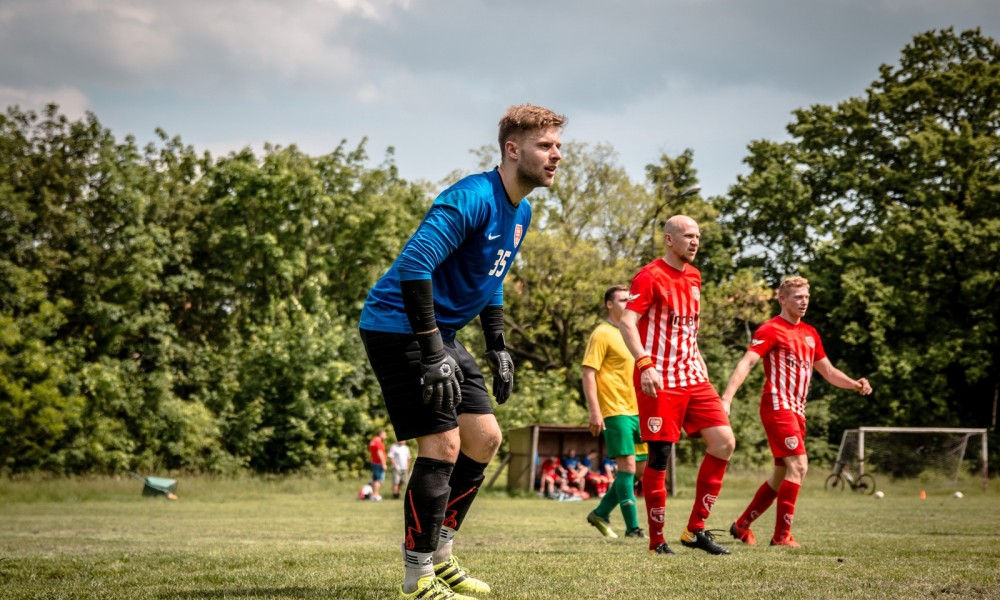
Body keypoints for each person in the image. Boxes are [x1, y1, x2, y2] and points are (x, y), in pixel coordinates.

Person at [359, 104, 566, 600]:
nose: (556, 155)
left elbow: (490, 280)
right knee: (443, 445)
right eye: (545, 145)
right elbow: (414, 266)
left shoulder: (522, 210)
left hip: (441, 331)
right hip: (396, 326)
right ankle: (418, 576)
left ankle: (442, 557)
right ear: (513, 150)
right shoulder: (470, 198)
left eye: (559, 145)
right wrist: (432, 353)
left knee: (485, 439)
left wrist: (497, 346)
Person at [723, 276, 873, 547]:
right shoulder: (770, 329)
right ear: (783, 299)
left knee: (781, 476)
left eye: (806, 296)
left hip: (797, 411)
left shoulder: (810, 333)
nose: (804, 301)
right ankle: (781, 537)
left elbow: (828, 371)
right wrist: (727, 398)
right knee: (799, 466)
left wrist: (854, 384)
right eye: (798, 297)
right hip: (777, 406)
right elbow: (747, 363)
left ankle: (741, 525)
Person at [618, 215, 735, 556]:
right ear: (669, 240)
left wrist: (701, 363)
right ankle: (657, 541)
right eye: (688, 235)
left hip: (693, 377)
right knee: (660, 457)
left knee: (724, 442)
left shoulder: (696, 277)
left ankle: (695, 530)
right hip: (659, 379)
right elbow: (628, 323)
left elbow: (687, 332)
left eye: (698, 236)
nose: (695, 241)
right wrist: (645, 365)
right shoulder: (649, 276)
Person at [582, 285, 649, 539]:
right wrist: (594, 411)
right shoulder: (602, 333)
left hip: (639, 411)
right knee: (628, 467)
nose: (628, 303)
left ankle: (600, 513)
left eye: (630, 299)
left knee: (639, 470)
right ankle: (633, 528)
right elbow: (589, 373)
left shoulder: (635, 333)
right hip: (615, 409)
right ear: (609, 304)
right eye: (623, 299)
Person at [369, 429, 388, 501]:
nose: (385, 436)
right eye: (385, 434)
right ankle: (376, 495)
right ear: (381, 434)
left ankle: (374, 495)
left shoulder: (373, 441)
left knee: (374, 479)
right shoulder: (378, 442)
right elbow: (380, 453)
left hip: (374, 462)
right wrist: (384, 464)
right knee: (379, 480)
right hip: (378, 463)